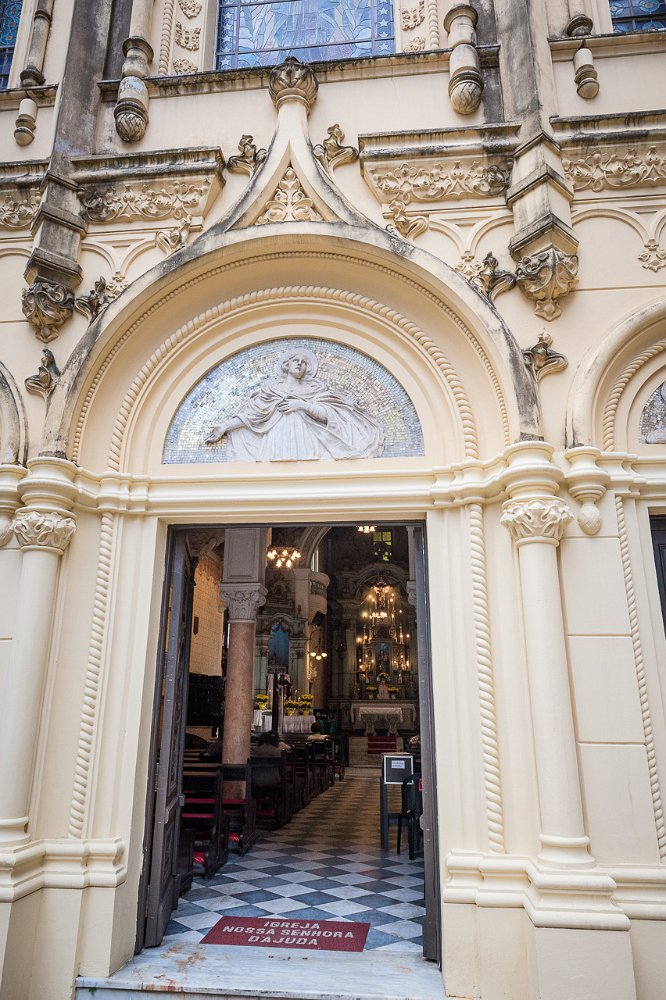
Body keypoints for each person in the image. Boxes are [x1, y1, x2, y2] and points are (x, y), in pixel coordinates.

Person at [205, 348, 384, 461]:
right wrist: (225, 426)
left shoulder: (315, 390)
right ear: (286, 365)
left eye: (303, 362)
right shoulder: (272, 389)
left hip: (306, 439)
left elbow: (327, 415)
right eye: (295, 360)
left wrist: (301, 405)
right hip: (276, 439)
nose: (299, 364)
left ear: (308, 368)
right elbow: (253, 415)